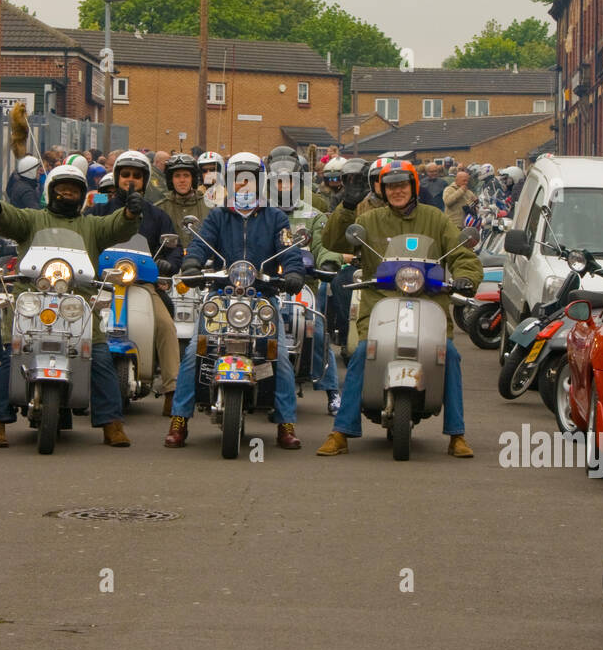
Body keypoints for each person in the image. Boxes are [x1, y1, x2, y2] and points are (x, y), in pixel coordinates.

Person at [315, 159, 482, 459]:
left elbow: (461, 254)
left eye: (402, 185)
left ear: (414, 186)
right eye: (390, 186)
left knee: (449, 354)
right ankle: (340, 432)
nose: (397, 191)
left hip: (429, 303)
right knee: (362, 353)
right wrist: (347, 207)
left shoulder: (436, 218)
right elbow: (333, 240)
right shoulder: (370, 220)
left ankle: (457, 434)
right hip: (380, 303)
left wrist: (466, 278)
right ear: (382, 189)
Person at [0, 164, 143, 448]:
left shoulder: (91, 225)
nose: (67, 194)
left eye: (73, 190)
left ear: (81, 196)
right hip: (32, 302)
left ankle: (112, 424)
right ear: (50, 191)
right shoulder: (32, 220)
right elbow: (9, 219)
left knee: (101, 358)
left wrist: (130, 212)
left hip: (78, 305)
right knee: (11, 357)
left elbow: (115, 226)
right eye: (61, 188)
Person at [164, 152, 305, 450]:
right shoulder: (217, 215)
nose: (244, 185)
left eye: (251, 179)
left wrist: (293, 272)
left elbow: (288, 250)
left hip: (262, 297)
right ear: (229, 182)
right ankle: (179, 420)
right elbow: (201, 245)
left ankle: (285, 423)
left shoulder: (275, 216)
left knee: (278, 355)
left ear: (261, 181)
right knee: (193, 354)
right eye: (239, 179)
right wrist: (192, 265)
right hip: (221, 295)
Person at [91, 150, 183, 414]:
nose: (130, 180)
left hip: (142, 284)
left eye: (137, 176)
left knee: (166, 326)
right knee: (78, 323)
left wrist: (169, 262)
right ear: (118, 176)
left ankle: (171, 390)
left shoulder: (156, 215)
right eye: (126, 175)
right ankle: (70, 383)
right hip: (102, 285)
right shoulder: (99, 209)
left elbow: (173, 246)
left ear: (144, 180)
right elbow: (84, 237)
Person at [267, 153, 343, 415]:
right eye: (278, 181)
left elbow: (324, 246)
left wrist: (329, 262)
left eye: (289, 181)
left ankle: (332, 391)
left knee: (317, 331)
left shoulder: (313, 215)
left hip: (302, 286)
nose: (284, 186)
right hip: (265, 284)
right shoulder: (259, 213)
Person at [156, 153, 209, 247]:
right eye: (177, 176)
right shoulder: (159, 209)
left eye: (186, 175)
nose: (182, 180)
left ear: (193, 179)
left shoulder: (209, 207)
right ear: (171, 180)